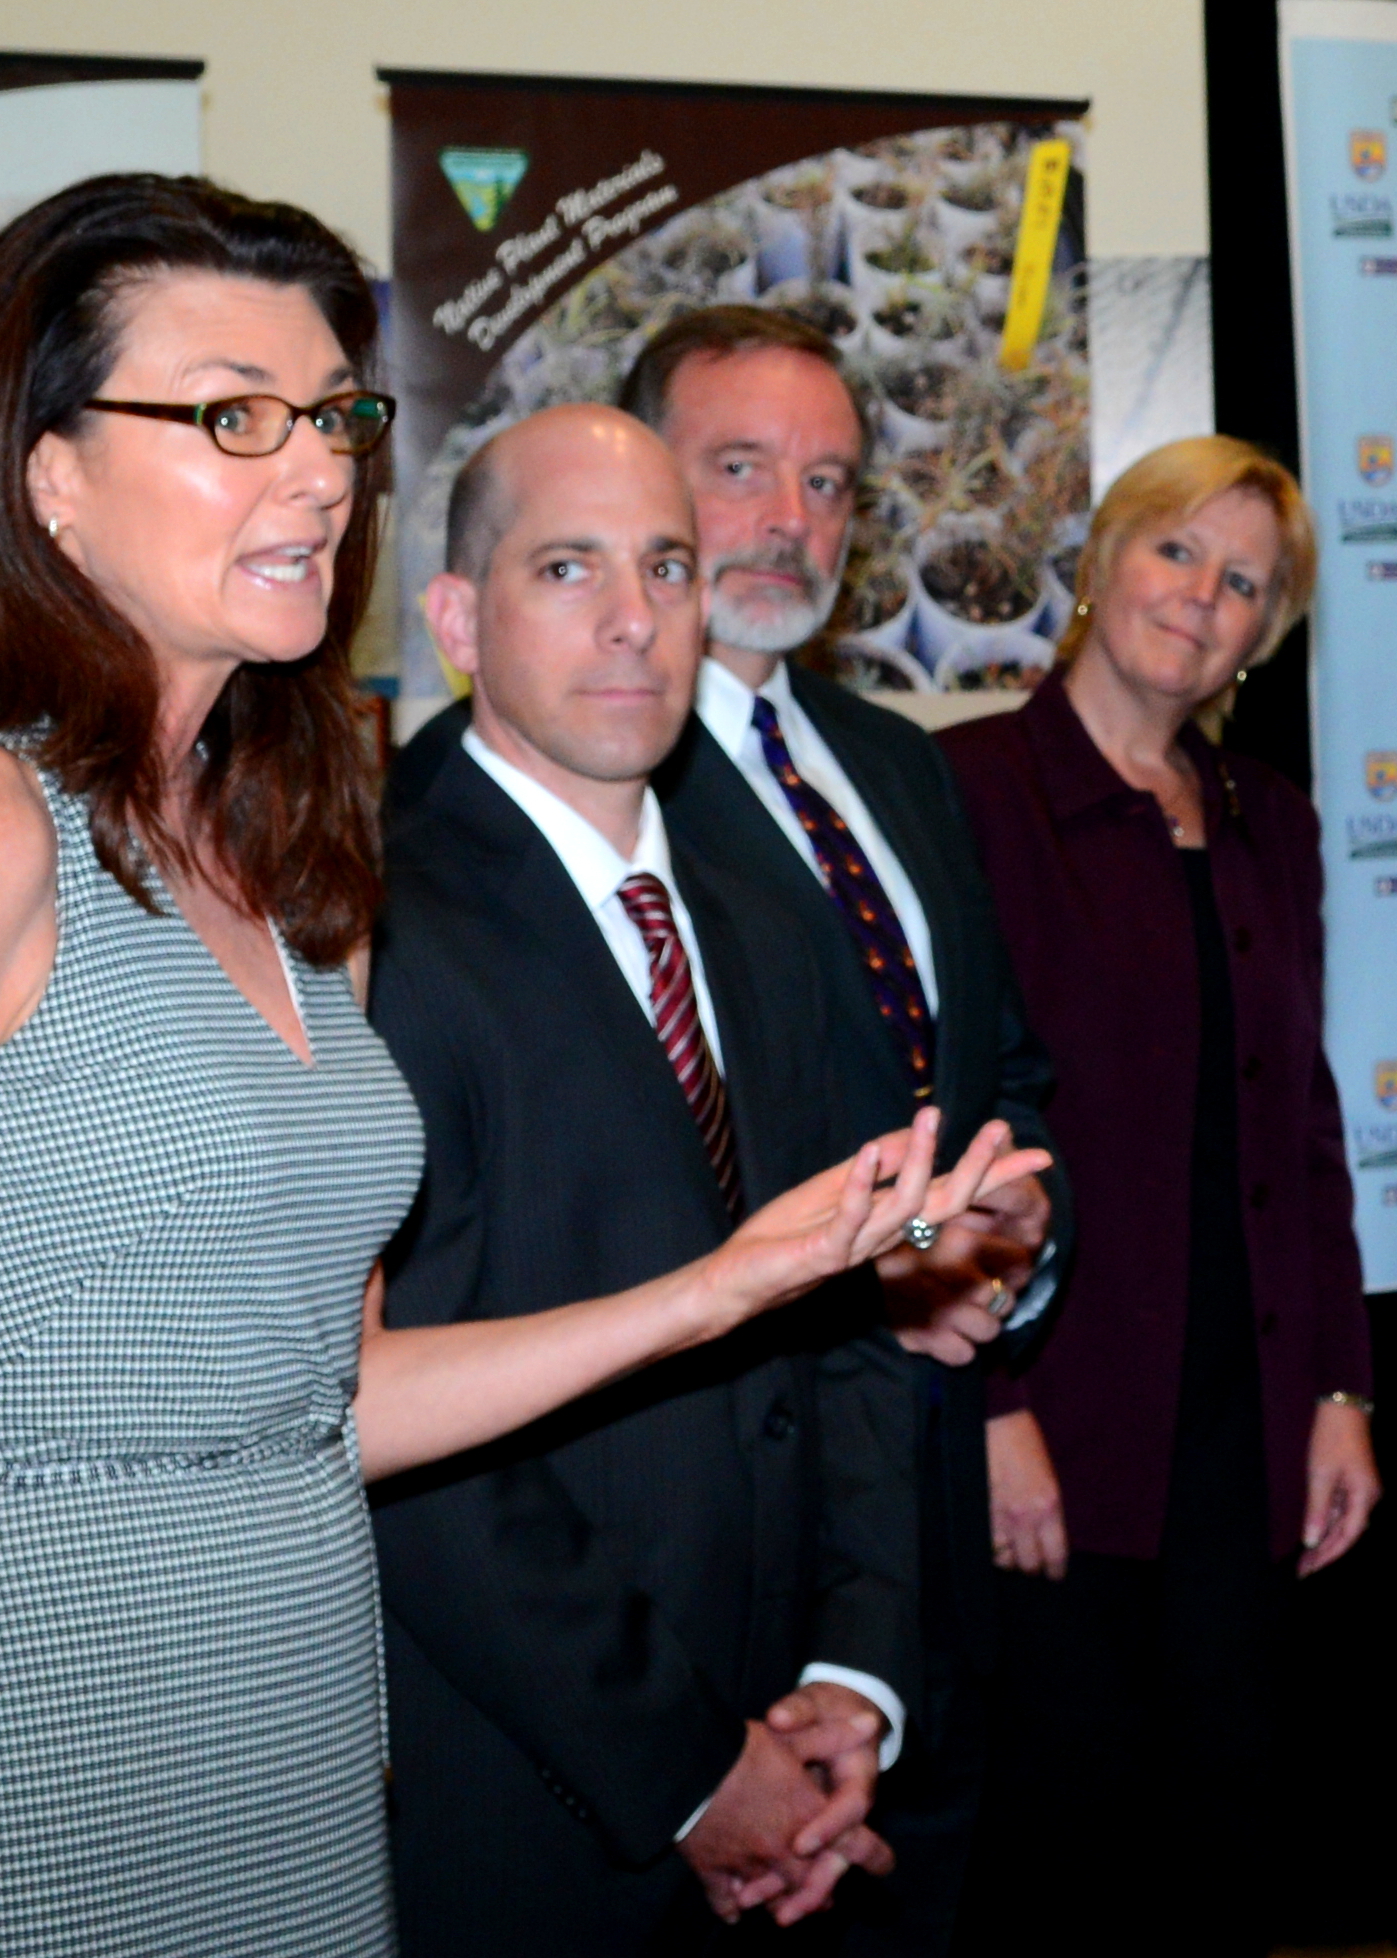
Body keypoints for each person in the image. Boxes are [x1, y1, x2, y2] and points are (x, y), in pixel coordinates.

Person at [0, 176, 1036, 1958]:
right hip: (41, 1732)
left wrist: (734, 1285)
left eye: (335, 417)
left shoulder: (283, 869)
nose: (314, 474)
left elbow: (328, 1402)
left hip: (291, 1738)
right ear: (48, 473)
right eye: (231, 416)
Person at [368, 400, 1050, 1955]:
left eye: (666, 567)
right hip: (537, 1804)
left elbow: (850, 1303)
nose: (631, 619)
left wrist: (853, 1668)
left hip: (797, 1759)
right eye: (566, 568)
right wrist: (689, 1768)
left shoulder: (754, 921)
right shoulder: (377, 932)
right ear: (459, 620)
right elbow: (414, 1443)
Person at [612, 305, 1065, 1957]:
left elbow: (999, 1077)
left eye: (826, 483)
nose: (788, 520)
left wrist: (1005, 1252)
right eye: (739, 470)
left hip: (925, 1533)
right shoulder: (594, 789)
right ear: (639, 474)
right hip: (710, 1559)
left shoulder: (897, 762)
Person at [937, 435, 1381, 1958]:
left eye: (1243, 580)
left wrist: (1337, 1386)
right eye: (1174, 551)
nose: (1199, 599)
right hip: (1056, 1430)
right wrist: (986, 1400)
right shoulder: (967, 793)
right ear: (1100, 559)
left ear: (1266, 630)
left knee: (1227, 1854)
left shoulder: (1269, 818)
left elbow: (1299, 1122)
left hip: (1243, 1432)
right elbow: (926, 1130)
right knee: (1059, 1867)